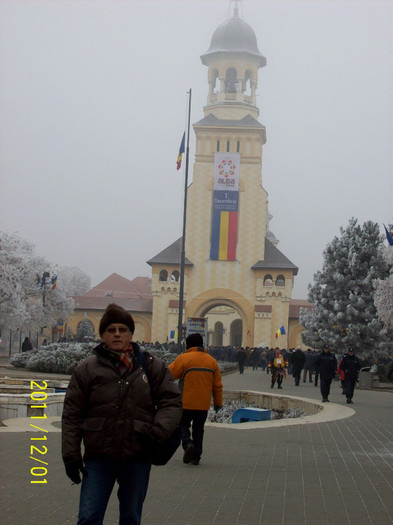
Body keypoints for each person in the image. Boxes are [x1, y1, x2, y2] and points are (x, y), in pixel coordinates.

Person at [62, 303, 182, 525]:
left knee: (130, 518)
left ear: (131, 334)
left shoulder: (150, 366)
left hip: (137, 455)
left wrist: (157, 433)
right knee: (88, 518)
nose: (117, 334)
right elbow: (72, 413)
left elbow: (171, 401)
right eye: (111, 330)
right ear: (103, 336)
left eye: (122, 329)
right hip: (99, 457)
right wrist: (71, 455)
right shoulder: (87, 369)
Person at [168, 333, 223, 466]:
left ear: (188, 344)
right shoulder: (211, 361)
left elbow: (170, 374)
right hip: (203, 404)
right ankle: (196, 456)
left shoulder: (184, 358)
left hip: (185, 402)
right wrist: (217, 403)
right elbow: (217, 386)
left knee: (182, 425)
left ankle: (188, 444)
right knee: (199, 429)